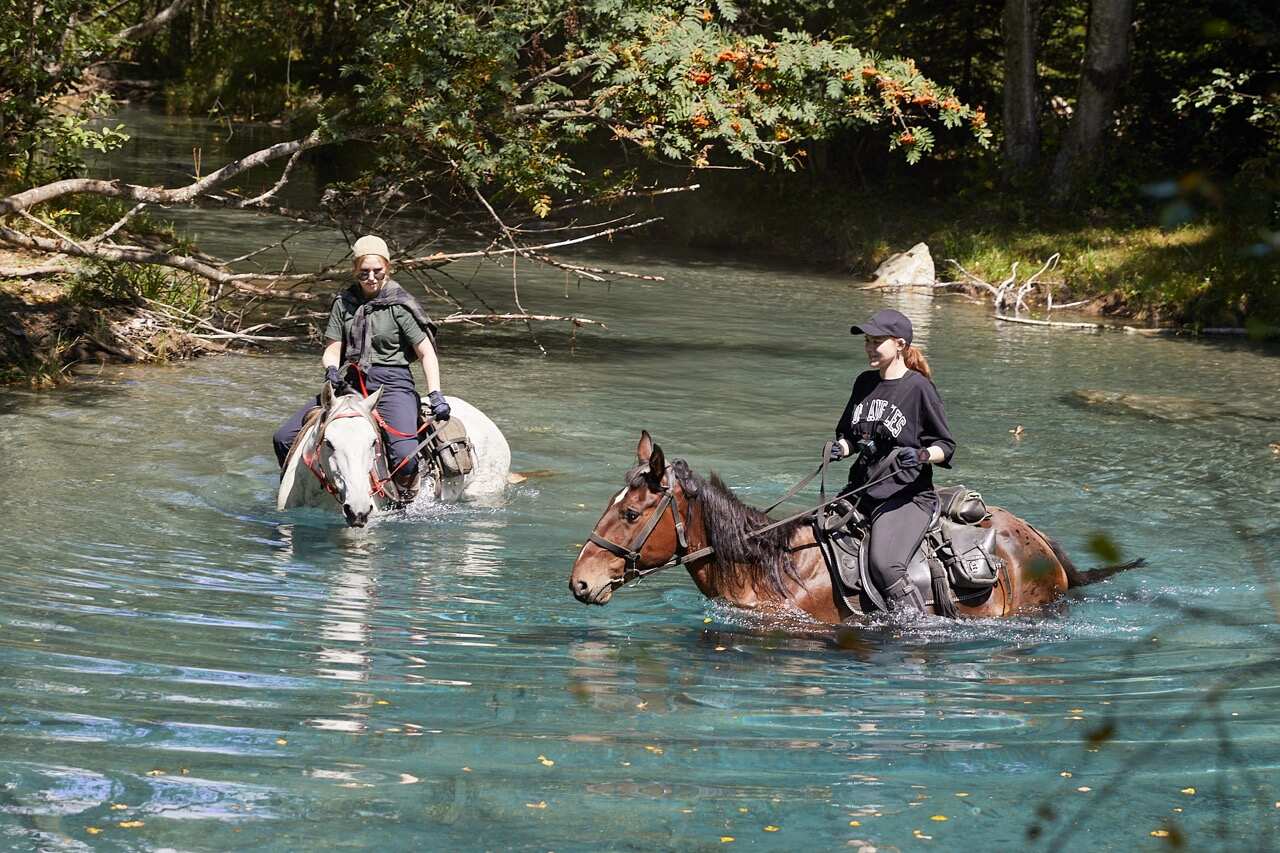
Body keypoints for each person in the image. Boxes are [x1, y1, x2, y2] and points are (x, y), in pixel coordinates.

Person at [272, 235, 450, 497]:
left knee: (403, 454)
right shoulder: (344, 304)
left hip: (392, 383)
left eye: (377, 271)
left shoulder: (400, 305)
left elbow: (426, 354)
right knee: (284, 438)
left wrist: (435, 393)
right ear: (355, 270)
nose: (371, 278)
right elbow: (333, 349)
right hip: (350, 383)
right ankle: (311, 489)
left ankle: (404, 503)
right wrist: (332, 369)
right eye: (364, 272)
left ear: (387, 268)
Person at [829, 308, 956, 615]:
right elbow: (852, 434)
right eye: (867, 342)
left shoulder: (919, 388)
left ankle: (915, 628)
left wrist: (923, 454)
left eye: (877, 341)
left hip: (906, 497)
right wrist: (842, 448)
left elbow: (946, 445)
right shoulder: (864, 383)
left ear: (900, 344)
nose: (870, 348)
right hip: (860, 491)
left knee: (885, 565)